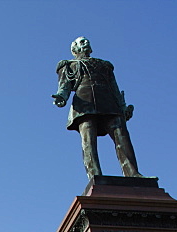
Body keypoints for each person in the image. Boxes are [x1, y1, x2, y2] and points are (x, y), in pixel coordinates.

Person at [51, 36, 143, 179]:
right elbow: (64, 87)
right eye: (81, 42)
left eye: (86, 41)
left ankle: (133, 174)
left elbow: (114, 88)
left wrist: (123, 106)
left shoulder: (105, 65)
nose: (86, 43)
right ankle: (95, 175)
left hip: (109, 103)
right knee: (88, 142)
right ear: (74, 49)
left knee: (122, 137)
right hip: (84, 105)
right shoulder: (69, 65)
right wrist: (61, 97)